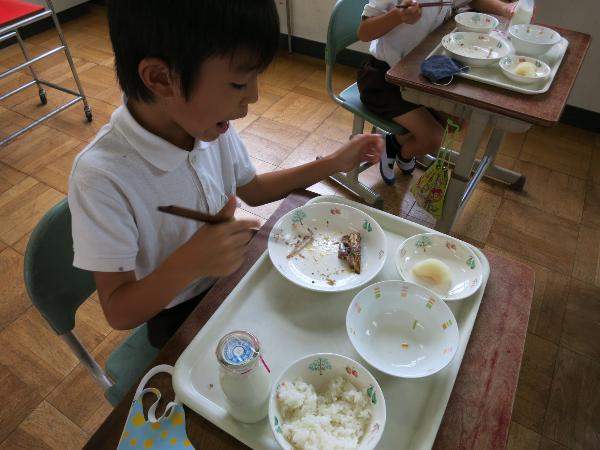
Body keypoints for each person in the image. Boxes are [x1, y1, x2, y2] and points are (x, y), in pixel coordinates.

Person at [68, 0, 383, 349]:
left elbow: (254, 189)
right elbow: (118, 311)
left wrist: (333, 163)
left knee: (335, 319)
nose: (254, 97)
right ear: (161, 78)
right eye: (238, 84)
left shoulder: (205, 123)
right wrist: (192, 260)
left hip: (232, 276)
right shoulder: (101, 176)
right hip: (179, 309)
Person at [357, 0, 515, 185]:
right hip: (382, 80)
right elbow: (364, 31)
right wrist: (397, 16)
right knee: (434, 139)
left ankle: (395, 144)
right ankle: (400, 151)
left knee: (458, 120)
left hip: (418, 75)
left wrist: (505, 8)